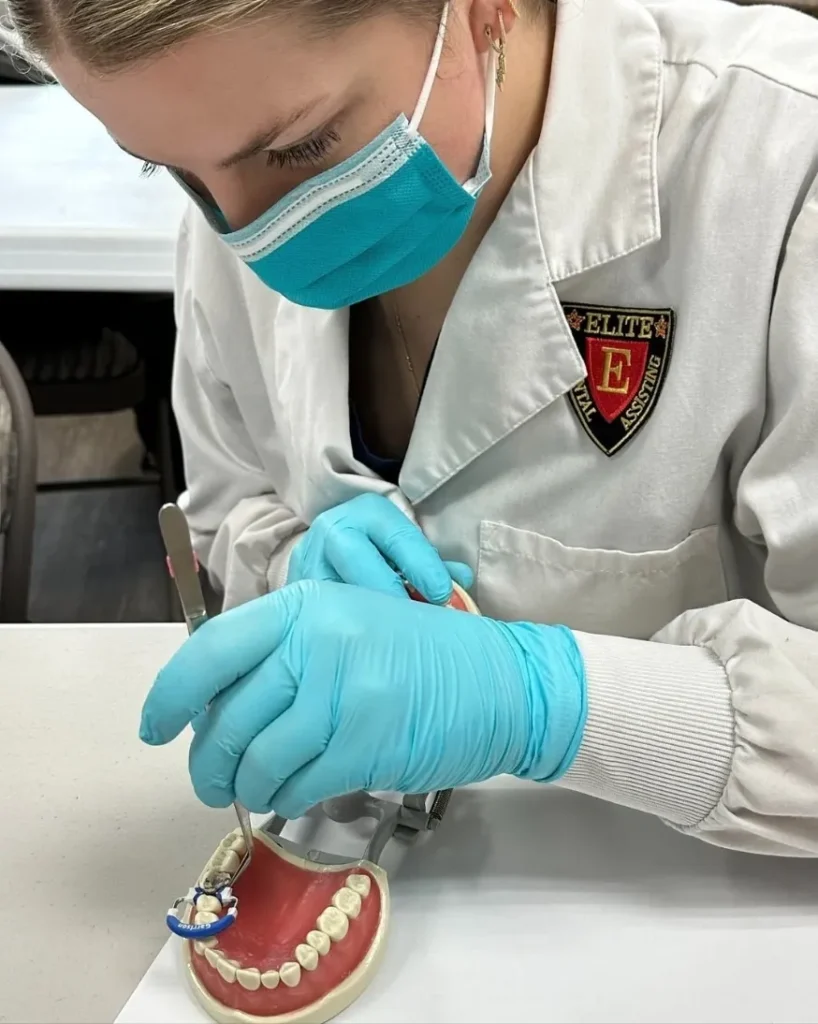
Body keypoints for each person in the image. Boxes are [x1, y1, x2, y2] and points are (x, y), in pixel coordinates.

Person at [11, 0, 818, 857]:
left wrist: (545, 703)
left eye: (302, 148)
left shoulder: (778, 164)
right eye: (169, 172)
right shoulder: (226, 167)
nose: (247, 231)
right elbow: (230, 504)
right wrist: (291, 566)